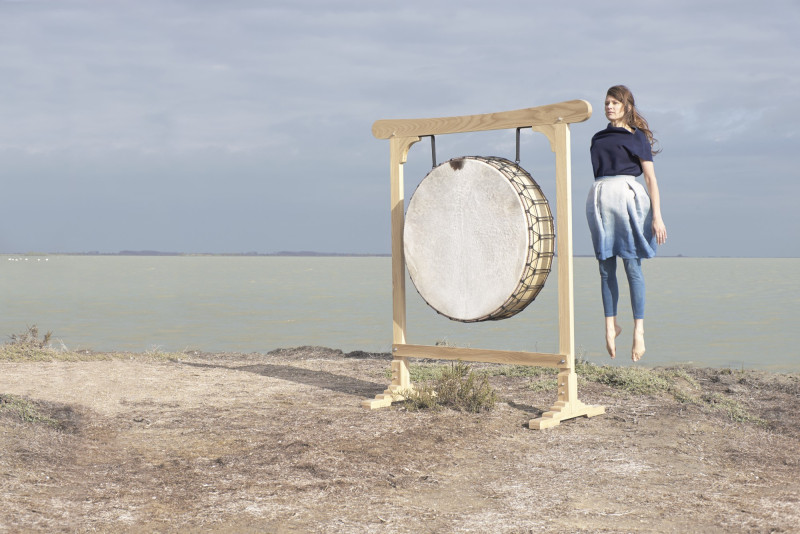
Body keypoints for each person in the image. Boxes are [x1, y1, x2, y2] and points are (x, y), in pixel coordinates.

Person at [586, 85, 667, 362]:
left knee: (632, 266)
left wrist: (657, 216)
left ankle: (639, 331)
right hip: (600, 198)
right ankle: (611, 326)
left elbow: (650, 179)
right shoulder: (597, 138)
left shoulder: (637, 136)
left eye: (615, 102)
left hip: (628, 199)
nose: (609, 107)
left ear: (626, 106)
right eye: (606, 103)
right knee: (605, 267)